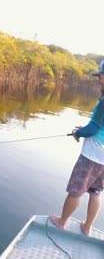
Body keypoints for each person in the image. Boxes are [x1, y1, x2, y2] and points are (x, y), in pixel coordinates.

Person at [50, 60, 104, 236]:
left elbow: (94, 129)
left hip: (91, 157)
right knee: (95, 192)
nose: (99, 79)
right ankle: (87, 227)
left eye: (101, 76)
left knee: (76, 190)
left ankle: (61, 221)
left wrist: (78, 133)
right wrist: (85, 129)